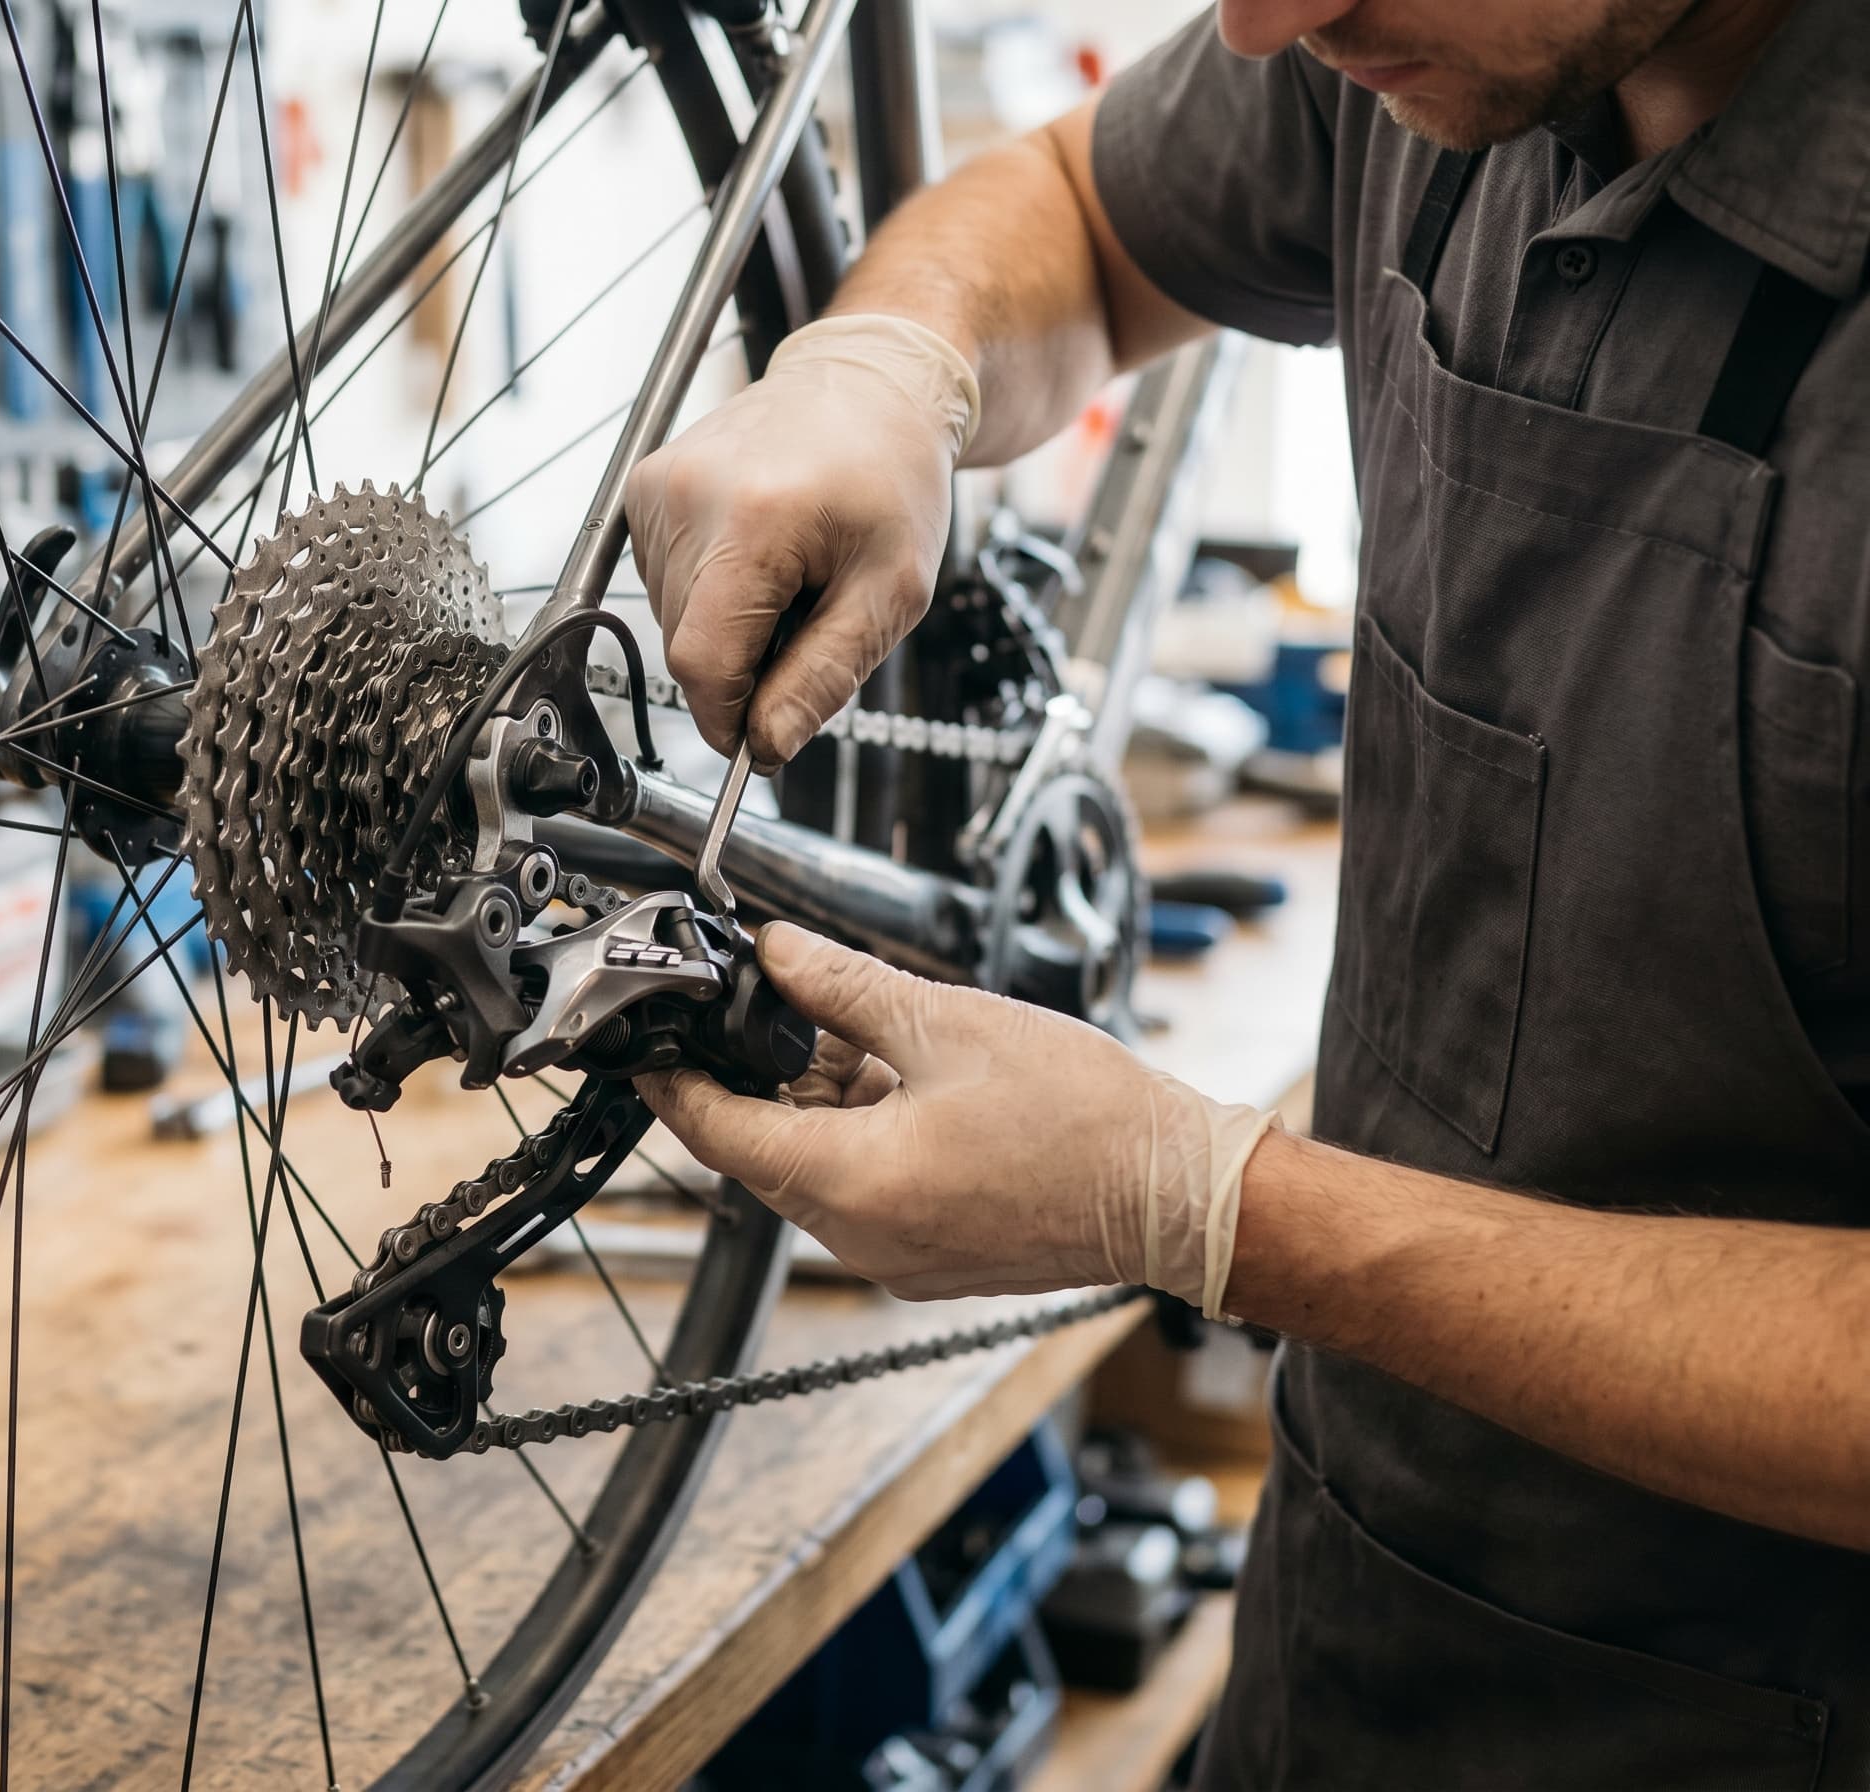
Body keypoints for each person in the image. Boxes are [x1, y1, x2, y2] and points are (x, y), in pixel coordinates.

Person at [622, 1, 1870, 1785]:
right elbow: (1082, 204)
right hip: (1346, 1617)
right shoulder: (1418, 40)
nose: (1269, 16)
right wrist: (891, 360)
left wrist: (1218, 1212)